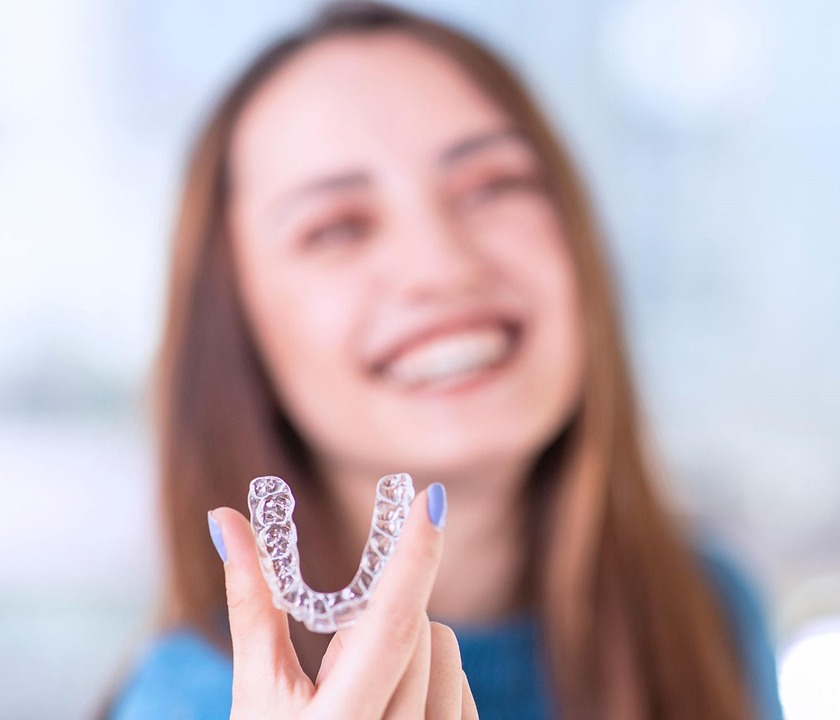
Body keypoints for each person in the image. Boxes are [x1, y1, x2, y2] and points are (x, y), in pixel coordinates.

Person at [106, 2, 783, 718]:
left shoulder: (706, 612)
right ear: (238, 334)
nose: (440, 265)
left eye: (493, 186)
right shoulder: (182, 703)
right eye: (335, 228)